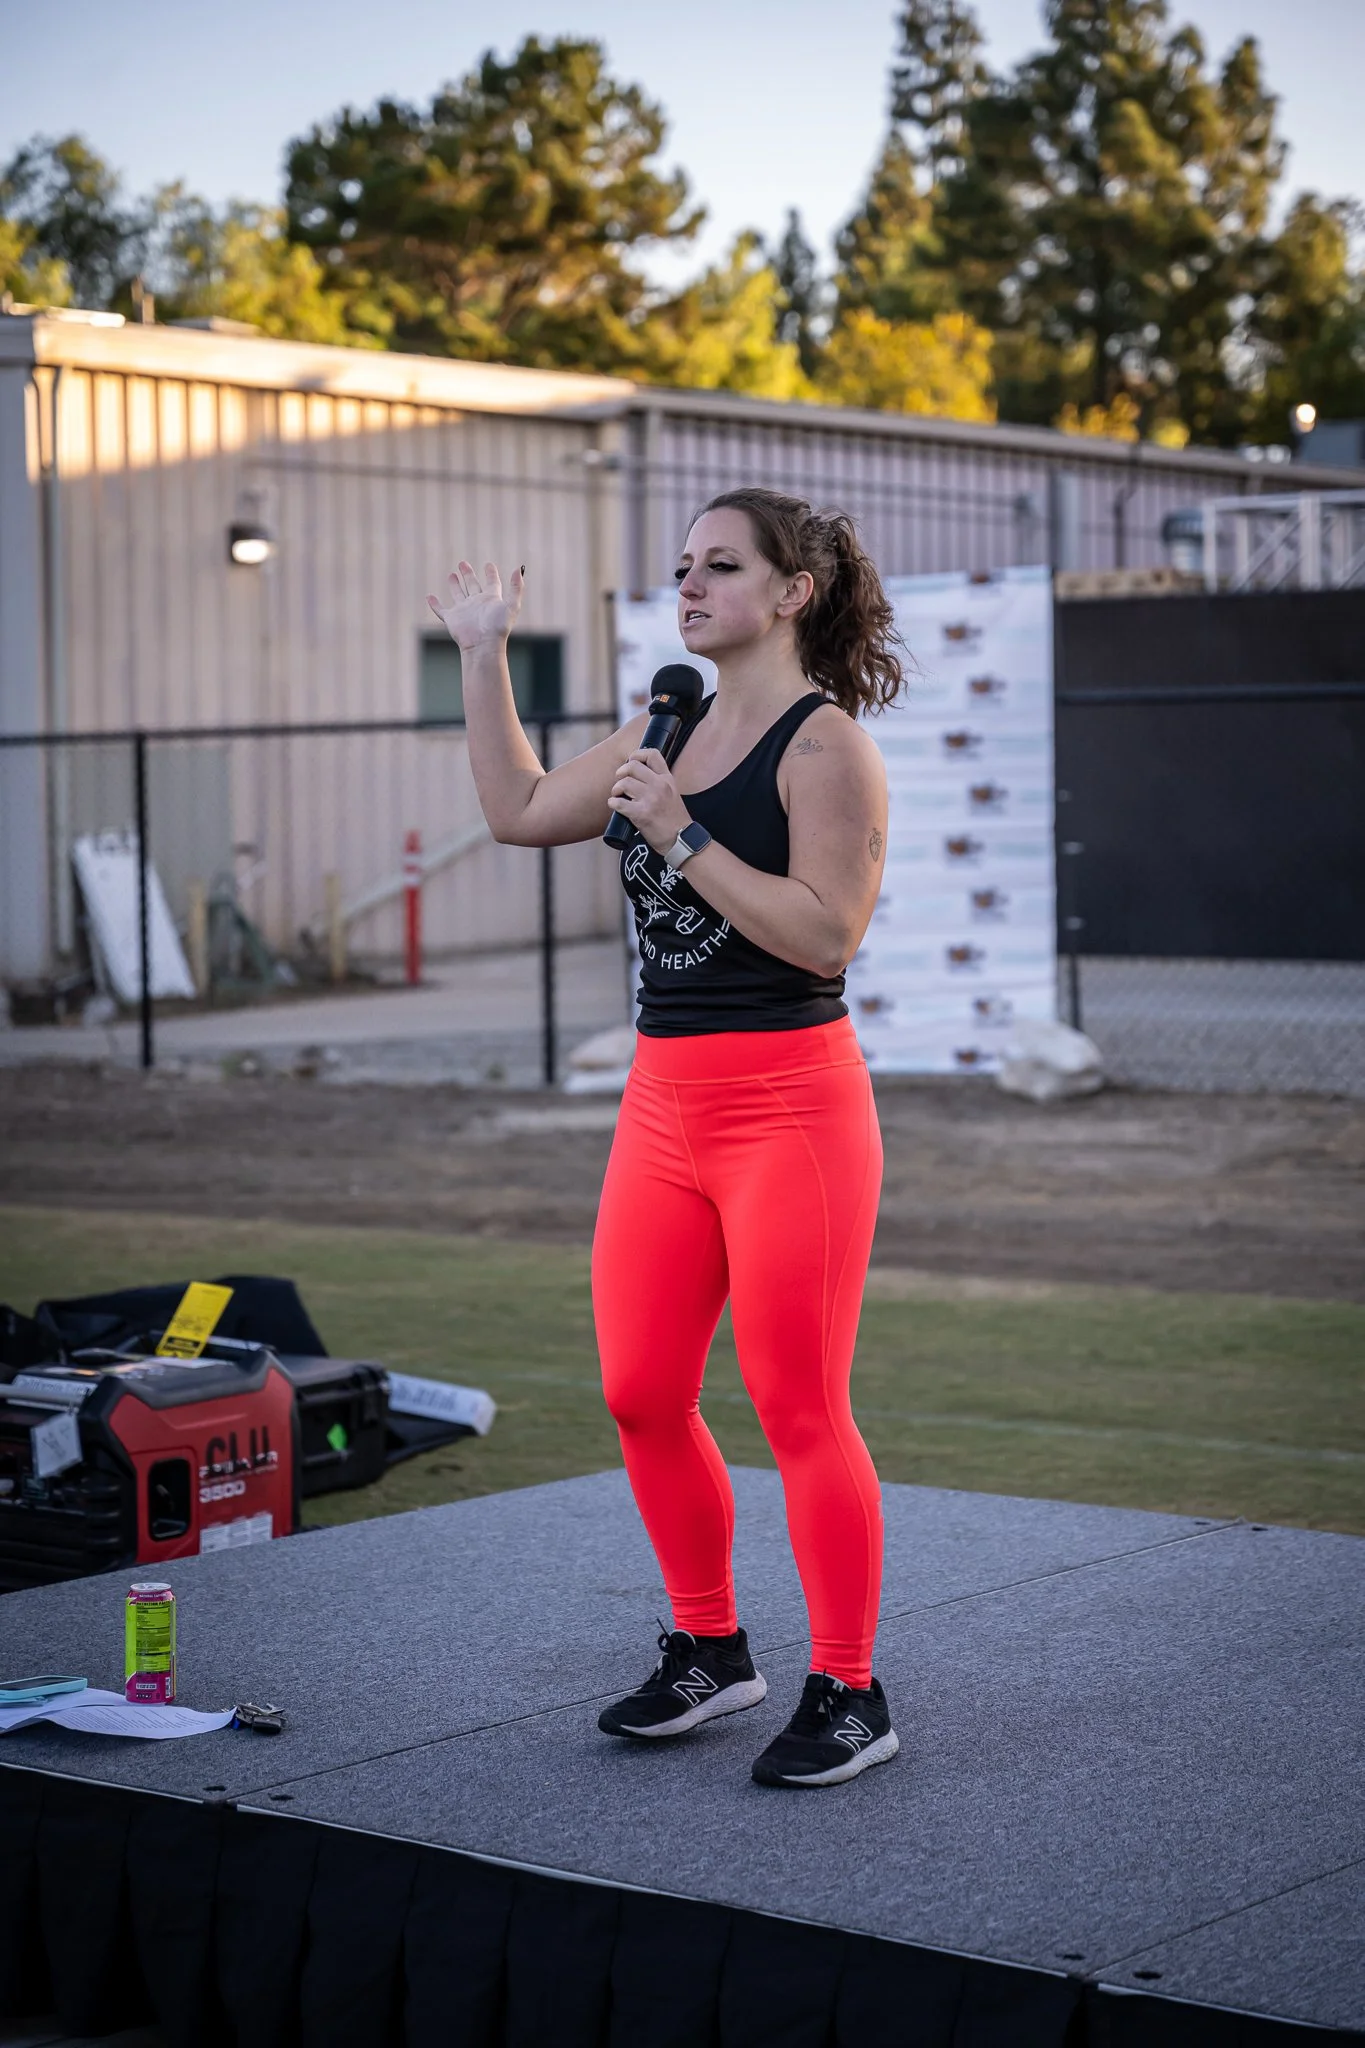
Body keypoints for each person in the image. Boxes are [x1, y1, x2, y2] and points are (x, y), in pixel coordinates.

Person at [428, 486, 905, 1788]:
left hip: (790, 1107)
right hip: (661, 1107)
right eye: (683, 565)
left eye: (720, 567)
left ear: (793, 593)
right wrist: (482, 654)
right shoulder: (663, 725)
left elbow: (825, 934)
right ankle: (710, 1647)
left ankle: (851, 1689)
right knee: (640, 1393)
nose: (688, 586)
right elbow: (521, 810)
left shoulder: (826, 748)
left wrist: (679, 833)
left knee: (799, 1406)